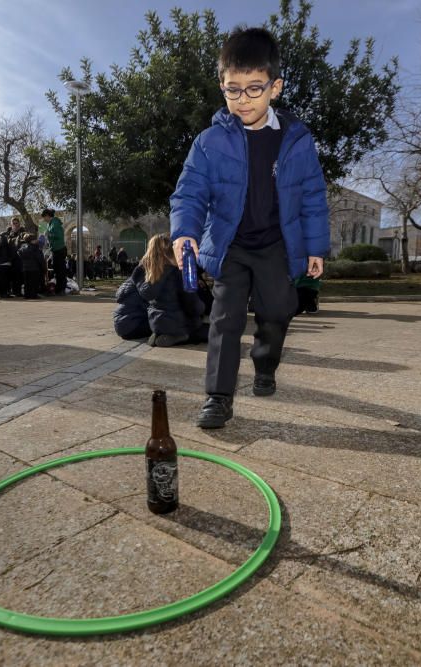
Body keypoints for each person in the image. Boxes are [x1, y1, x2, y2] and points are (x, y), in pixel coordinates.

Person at [171, 26, 329, 428]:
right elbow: (189, 193)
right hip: (231, 244)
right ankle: (218, 397)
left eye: (254, 88)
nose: (243, 100)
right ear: (222, 87)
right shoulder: (208, 142)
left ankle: (265, 364)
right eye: (233, 90)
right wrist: (184, 232)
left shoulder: (296, 139)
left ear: (275, 87)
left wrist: (315, 248)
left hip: (278, 243)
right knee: (225, 319)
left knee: (278, 311)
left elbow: (312, 196)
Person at [137, 234, 209, 347]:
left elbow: (146, 294)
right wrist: (203, 307)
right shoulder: (179, 273)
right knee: (211, 331)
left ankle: (159, 333)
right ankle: (181, 336)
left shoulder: (147, 272)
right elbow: (193, 306)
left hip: (155, 321)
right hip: (179, 323)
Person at [112, 263, 152, 340]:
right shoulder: (143, 284)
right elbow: (148, 307)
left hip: (120, 327)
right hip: (131, 328)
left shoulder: (130, 281)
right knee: (159, 324)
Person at [40, 208, 67, 295]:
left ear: (47, 216)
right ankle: (59, 288)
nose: (44, 219)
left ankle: (61, 289)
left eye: (44, 217)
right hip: (55, 249)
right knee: (57, 270)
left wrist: (49, 234)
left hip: (59, 249)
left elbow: (58, 235)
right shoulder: (50, 224)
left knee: (60, 270)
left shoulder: (55, 223)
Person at [17, 233, 45, 299]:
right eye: (35, 239)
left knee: (27, 282)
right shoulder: (36, 248)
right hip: (35, 267)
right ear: (32, 240)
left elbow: (19, 253)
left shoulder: (23, 248)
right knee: (34, 282)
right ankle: (33, 294)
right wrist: (43, 267)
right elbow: (40, 258)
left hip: (25, 268)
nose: (37, 240)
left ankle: (27, 294)